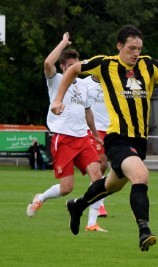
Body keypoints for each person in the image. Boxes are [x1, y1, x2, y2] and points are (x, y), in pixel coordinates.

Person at [50, 25, 158, 251]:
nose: (136, 53)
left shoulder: (149, 65)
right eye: (131, 48)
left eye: (139, 48)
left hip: (139, 142)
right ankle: (144, 229)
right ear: (120, 46)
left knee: (111, 186)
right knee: (141, 176)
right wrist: (57, 100)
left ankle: (77, 206)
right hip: (117, 138)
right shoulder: (105, 64)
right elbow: (72, 70)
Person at [26, 32, 107, 233]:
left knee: (98, 176)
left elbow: (88, 112)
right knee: (66, 188)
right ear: (63, 67)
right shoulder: (56, 80)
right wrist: (62, 43)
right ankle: (41, 197)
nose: (74, 69)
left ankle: (91, 221)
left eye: (76, 66)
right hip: (63, 139)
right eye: (70, 66)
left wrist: (95, 134)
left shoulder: (83, 87)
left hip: (83, 138)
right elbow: (47, 63)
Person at [82, 75, 109, 217]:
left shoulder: (111, 80)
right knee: (101, 163)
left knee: (112, 167)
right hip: (94, 129)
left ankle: (87, 199)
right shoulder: (84, 83)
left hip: (112, 128)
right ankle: (99, 205)